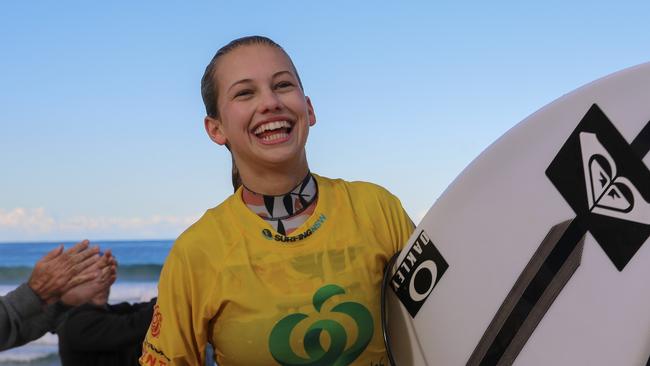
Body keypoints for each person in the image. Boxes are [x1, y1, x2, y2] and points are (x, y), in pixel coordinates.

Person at [140, 36, 414, 366]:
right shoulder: (196, 253)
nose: (270, 102)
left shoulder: (376, 209)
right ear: (216, 129)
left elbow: (441, 323)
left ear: (309, 109)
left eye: (282, 85)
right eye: (245, 92)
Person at [0, 240, 117, 351]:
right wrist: (33, 293)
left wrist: (62, 304)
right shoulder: (78, 322)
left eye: (106, 274)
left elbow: (10, 330)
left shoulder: (108, 311)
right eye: (93, 276)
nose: (102, 284)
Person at [57, 265, 156, 366]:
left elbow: (135, 310)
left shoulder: (104, 311)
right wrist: (167, 298)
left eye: (105, 279)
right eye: (92, 281)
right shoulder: (77, 322)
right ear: (76, 284)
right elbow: (135, 325)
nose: (101, 287)